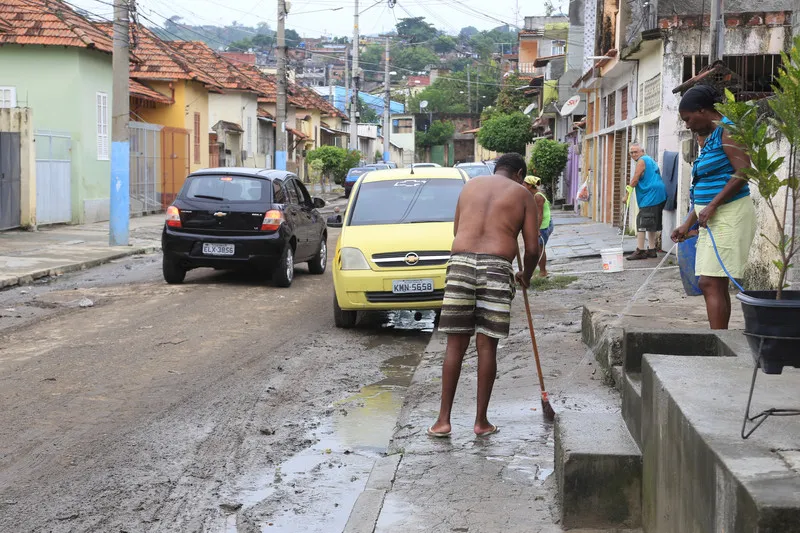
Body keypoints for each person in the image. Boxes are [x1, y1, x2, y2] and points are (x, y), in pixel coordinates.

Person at [428, 152, 541, 438]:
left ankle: (442, 422)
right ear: (519, 175)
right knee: (486, 346)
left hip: (460, 264)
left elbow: (458, 231)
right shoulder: (523, 194)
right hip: (496, 267)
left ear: (496, 168)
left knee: (455, 345)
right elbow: (532, 248)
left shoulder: (469, 186)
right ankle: (481, 422)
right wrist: (526, 275)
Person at [671, 85, 756, 330]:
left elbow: (743, 171)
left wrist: (713, 205)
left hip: (730, 214)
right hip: (713, 216)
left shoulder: (728, 131)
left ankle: (718, 339)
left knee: (710, 282)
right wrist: (688, 223)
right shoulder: (709, 138)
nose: (687, 125)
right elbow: (706, 187)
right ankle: (720, 337)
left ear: (702, 110)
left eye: (688, 119)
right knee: (713, 282)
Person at [625, 143, 667, 260]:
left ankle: (640, 250)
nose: (633, 154)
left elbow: (635, 178)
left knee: (642, 221)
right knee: (650, 222)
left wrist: (627, 195)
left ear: (642, 151)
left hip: (651, 195)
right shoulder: (649, 160)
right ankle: (652, 249)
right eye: (631, 152)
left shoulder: (642, 160)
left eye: (636, 152)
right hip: (659, 194)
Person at [523, 175, 553, 277]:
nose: (522, 186)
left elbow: (540, 215)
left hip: (544, 226)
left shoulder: (538, 196)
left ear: (529, 185)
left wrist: (537, 229)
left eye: (524, 184)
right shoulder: (535, 195)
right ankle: (541, 271)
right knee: (538, 248)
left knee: (540, 249)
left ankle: (543, 272)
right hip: (544, 224)